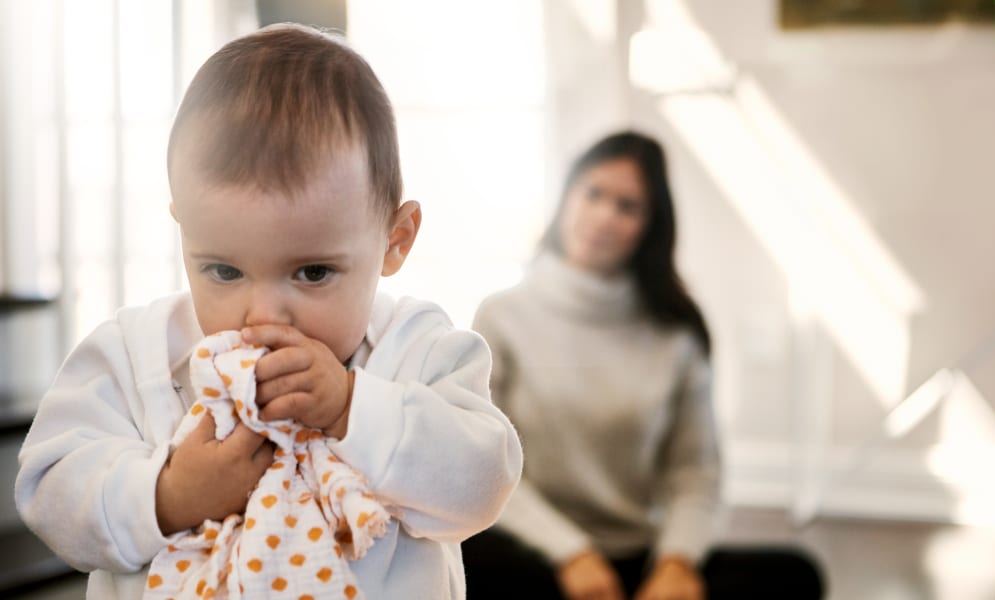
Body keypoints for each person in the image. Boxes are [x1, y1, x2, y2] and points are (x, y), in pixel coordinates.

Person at [15, 24, 522, 600]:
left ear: (394, 240)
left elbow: (485, 482)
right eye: (223, 271)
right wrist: (168, 494)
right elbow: (49, 494)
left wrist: (354, 409)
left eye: (312, 273)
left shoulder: (421, 349)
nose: (261, 316)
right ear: (185, 228)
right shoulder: (133, 354)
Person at [462, 132, 824, 600]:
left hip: (639, 561)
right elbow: (485, 466)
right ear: (567, 195)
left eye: (627, 206)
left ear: (649, 228)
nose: (604, 216)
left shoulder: (676, 333)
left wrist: (676, 563)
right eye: (593, 193)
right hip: (540, 556)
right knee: (460, 559)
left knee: (796, 575)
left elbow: (696, 476)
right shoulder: (501, 315)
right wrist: (572, 553)